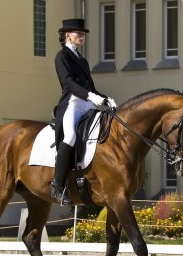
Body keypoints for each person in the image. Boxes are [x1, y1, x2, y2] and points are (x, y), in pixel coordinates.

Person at [51, 18, 116, 205]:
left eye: (83, 33)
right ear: (67, 35)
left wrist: (104, 98)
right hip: (72, 103)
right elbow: (68, 83)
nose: (82, 36)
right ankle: (57, 185)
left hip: (88, 103)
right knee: (70, 137)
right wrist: (91, 96)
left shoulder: (82, 60)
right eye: (78, 33)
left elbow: (91, 87)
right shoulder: (62, 56)